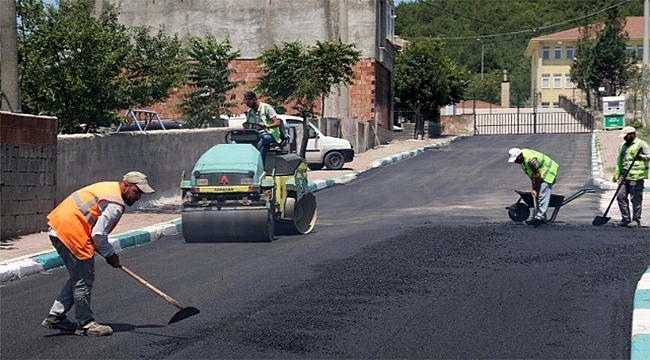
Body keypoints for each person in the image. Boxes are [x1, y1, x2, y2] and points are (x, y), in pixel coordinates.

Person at [41, 171, 155, 336]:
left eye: (141, 193)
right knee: (83, 280)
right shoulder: (115, 204)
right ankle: (86, 324)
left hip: (60, 227)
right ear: (126, 185)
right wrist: (110, 255)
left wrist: (105, 251)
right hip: (71, 232)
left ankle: (56, 316)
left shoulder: (109, 187)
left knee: (78, 276)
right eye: (136, 191)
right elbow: (99, 235)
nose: (138, 196)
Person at [508, 148, 559, 226]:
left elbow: (537, 174)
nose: (515, 162)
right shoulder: (522, 161)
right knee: (538, 195)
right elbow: (533, 176)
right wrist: (534, 188)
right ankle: (539, 216)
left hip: (548, 171)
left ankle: (540, 217)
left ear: (520, 155)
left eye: (516, 159)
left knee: (542, 194)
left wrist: (535, 189)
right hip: (540, 173)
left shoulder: (530, 160)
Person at [613, 126, 650, 228]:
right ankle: (625, 219)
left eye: (626, 136)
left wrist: (641, 157)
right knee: (620, 196)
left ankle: (636, 220)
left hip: (636, 177)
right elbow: (620, 161)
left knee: (636, 199)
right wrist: (617, 174)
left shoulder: (641, 144)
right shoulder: (622, 145)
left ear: (632, 134)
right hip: (624, 175)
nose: (624, 138)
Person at [243, 91, 282, 161]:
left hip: (270, 134)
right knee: (240, 141)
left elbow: (277, 122)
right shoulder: (250, 111)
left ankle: (258, 163)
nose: (247, 105)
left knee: (260, 140)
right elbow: (248, 124)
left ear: (254, 99)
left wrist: (266, 126)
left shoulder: (267, 108)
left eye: (248, 102)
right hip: (256, 134)